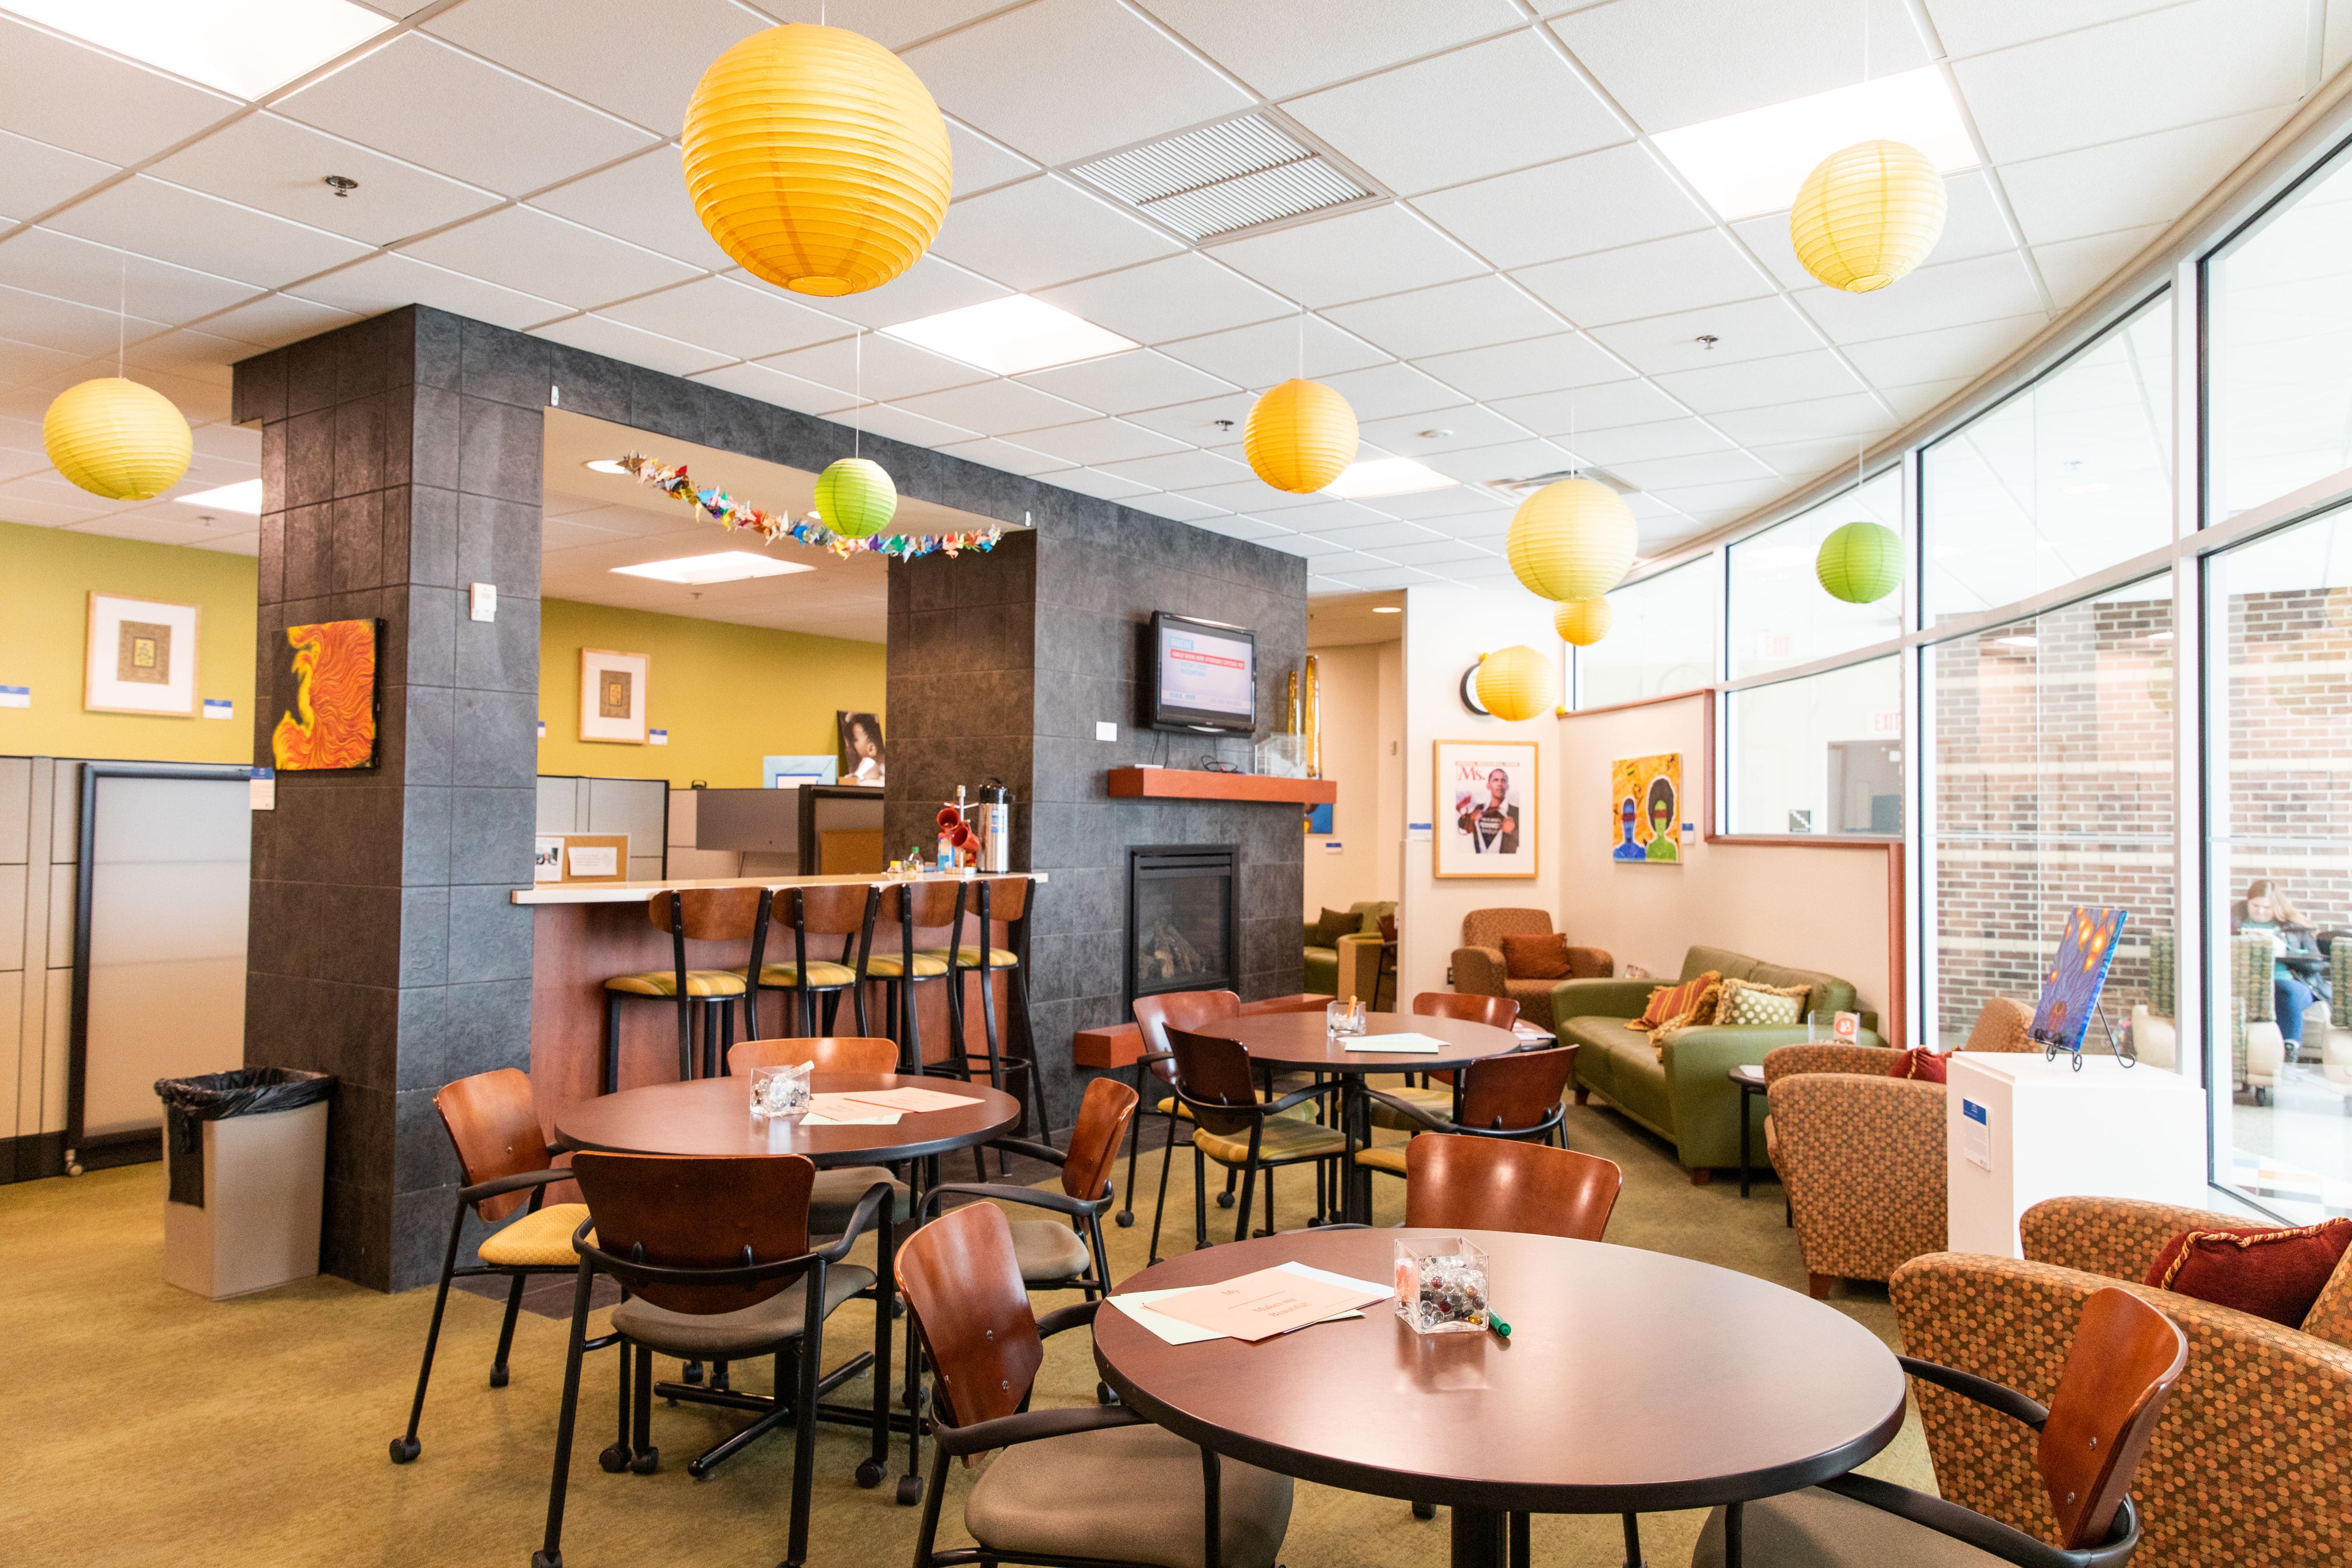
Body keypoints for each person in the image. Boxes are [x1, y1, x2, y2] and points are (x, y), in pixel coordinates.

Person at [2237, 880, 2322, 1055]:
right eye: (2255, 906)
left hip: (2288, 980)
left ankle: (2289, 1047)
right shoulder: (2233, 924)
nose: (2260, 911)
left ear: (2276, 906)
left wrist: (2287, 951)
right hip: (2245, 981)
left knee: (2285, 992)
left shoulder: (2294, 927)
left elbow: (2315, 965)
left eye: (2267, 908)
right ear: (2248, 903)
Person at [1456, 766, 1519, 854]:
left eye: (1503, 780)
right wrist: (1471, 818)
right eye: (1496, 780)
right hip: (1480, 864)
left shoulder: (1516, 812)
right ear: (1488, 786)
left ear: (1507, 786)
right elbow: (1461, 824)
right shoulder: (1479, 808)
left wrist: (1512, 831)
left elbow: (1529, 841)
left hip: (1506, 864)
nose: (1500, 784)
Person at [1643, 775, 1678, 863]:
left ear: (1668, 817)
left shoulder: (1672, 848)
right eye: (1657, 814)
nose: (1660, 821)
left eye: (1663, 814)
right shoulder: (1650, 848)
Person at [842, 714, 884, 786]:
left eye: (855, 740)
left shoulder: (869, 763)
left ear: (871, 749)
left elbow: (849, 783)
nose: (852, 745)